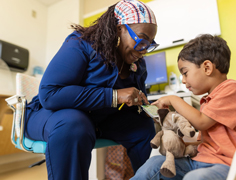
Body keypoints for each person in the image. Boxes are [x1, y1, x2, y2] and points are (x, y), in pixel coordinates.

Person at [25, 0, 158, 179]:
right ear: (120, 28)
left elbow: (137, 107)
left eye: (149, 44)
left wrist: (155, 112)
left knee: (144, 127)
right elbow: (50, 94)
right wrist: (114, 96)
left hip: (96, 120)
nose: (144, 50)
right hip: (50, 115)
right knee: (75, 124)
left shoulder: (138, 65)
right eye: (141, 40)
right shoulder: (82, 44)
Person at [130, 34, 236, 180]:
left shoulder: (232, 89)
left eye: (185, 73)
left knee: (196, 177)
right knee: (155, 163)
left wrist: (173, 99)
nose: (184, 81)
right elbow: (204, 136)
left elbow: (201, 122)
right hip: (202, 161)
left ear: (207, 67)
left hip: (231, 165)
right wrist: (173, 132)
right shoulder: (209, 100)